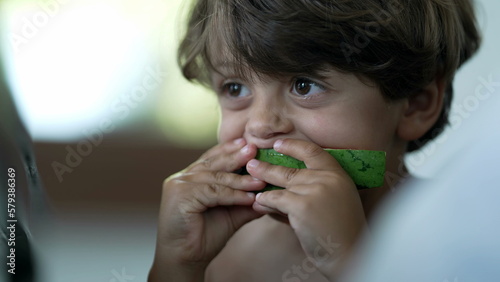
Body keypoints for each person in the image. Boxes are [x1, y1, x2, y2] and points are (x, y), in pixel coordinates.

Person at [148, 0, 481, 281]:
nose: (261, 125)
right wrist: (177, 265)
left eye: (304, 85)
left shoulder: (455, 233)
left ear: (415, 105)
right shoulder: (224, 252)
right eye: (236, 88)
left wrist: (350, 262)